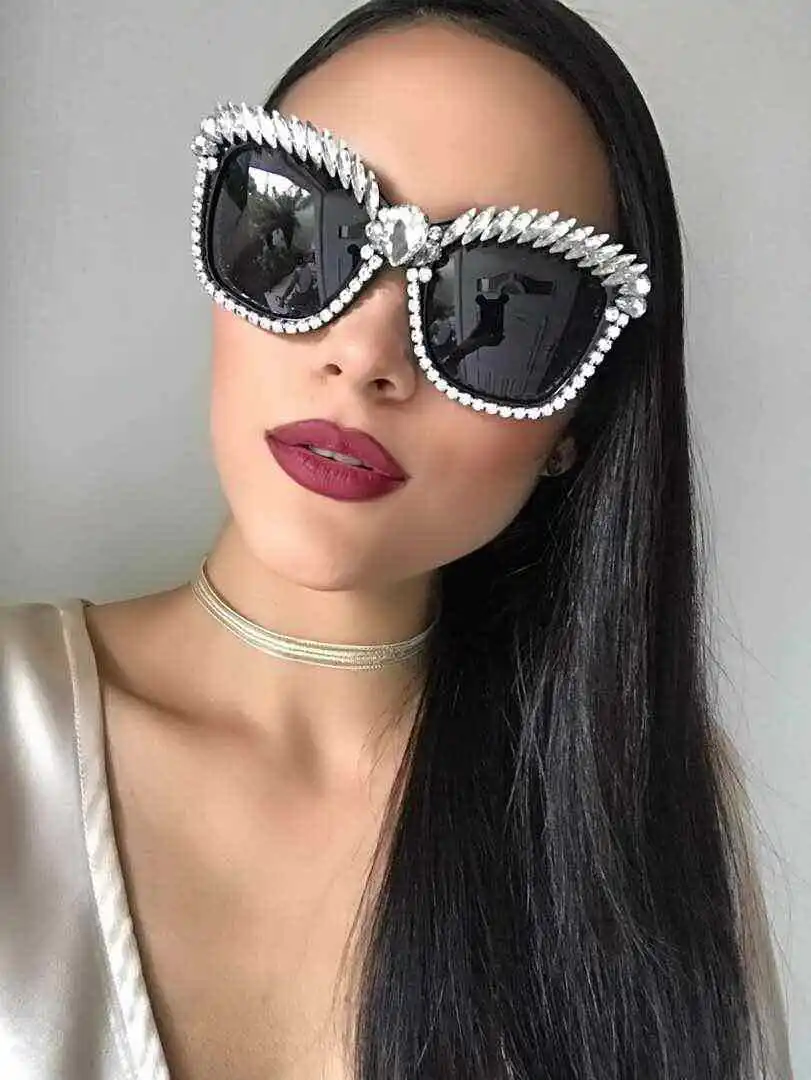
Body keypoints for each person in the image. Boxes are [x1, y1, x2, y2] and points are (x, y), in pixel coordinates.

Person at [0, 1, 793, 1078]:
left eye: (498, 306)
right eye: (296, 236)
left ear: (576, 419)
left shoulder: (632, 811)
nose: (366, 353)